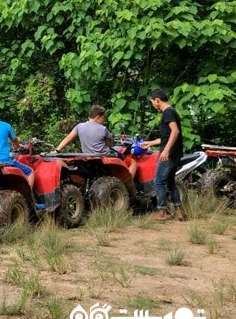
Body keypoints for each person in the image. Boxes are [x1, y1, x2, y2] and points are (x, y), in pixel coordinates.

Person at [51, 105, 137, 178]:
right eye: (103, 118)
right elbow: (110, 145)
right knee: (133, 162)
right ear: (98, 117)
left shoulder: (79, 126)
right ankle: (127, 183)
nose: (104, 120)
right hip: (104, 156)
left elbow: (67, 138)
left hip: (87, 156)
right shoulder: (103, 129)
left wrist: (57, 150)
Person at [141, 89, 185, 221]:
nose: (153, 105)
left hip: (169, 154)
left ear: (157, 100)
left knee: (158, 182)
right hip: (175, 153)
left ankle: (162, 212)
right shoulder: (172, 112)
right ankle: (178, 212)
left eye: (152, 102)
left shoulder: (168, 112)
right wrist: (150, 143)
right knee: (171, 182)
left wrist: (165, 150)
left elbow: (175, 132)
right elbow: (167, 137)